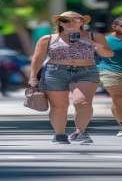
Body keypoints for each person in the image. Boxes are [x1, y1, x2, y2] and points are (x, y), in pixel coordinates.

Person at [29, 11, 113, 144]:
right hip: (55, 71)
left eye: (75, 20)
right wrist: (33, 77)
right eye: (66, 20)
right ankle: (59, 134)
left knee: (82, 102)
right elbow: (37, 58)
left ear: (82, 22)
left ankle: (80, 132)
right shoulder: (48, 38)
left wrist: (91, 43)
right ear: (60, 23)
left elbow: (108, 54)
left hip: (86, 71)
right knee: (59, 106)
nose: (70, 23)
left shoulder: (94, 36)